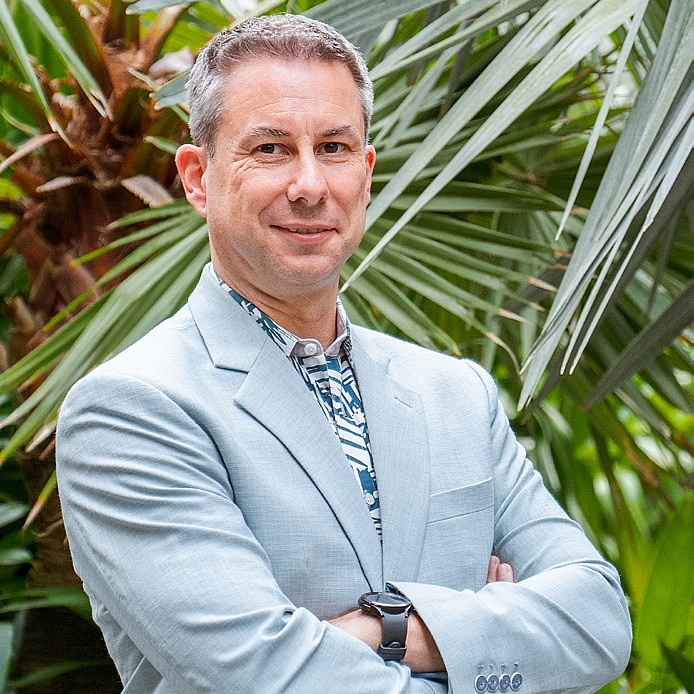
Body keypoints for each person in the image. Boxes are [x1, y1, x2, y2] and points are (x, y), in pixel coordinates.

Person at [56, 14, 632, 694]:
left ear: (365, 172)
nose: (309, 185)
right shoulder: (132, 408)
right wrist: (481, 632)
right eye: (270, 149)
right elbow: (264, 673)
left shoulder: (457, 394)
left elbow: (598, 622)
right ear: (197, 177)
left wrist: (387, 630)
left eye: (333, 147)